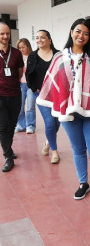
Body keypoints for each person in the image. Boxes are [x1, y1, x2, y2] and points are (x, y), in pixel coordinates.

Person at [36, 18, 90, 201]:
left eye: (86, 33)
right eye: (78, 31)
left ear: (89, 37)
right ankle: (83, 183)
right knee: (78, 150)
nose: (81, 35)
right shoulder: (59, 58)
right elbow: (52, 83)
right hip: (69, 113)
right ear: (71, 32)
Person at [26, 30, 61, 163]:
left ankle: (47, 143)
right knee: (50, 122)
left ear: (49, 40)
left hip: (57, 96)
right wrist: (35, 89)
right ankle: (54, 152)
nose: (39, 40)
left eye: (42, 37)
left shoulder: (58, 55)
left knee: (57, 122)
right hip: (41, 95)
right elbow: (29, 74)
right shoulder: (33, 56)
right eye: (37, 38)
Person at [0, 22, 24, 172]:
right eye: (2, 34)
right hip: (0, 96)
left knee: (12, 125)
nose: (5, 36)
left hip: (15, 94)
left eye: (7, 33)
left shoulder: (16, 53)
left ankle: (8, 147)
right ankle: (8, 156)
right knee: (3, 127)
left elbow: (20, 73)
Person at [15, 38, 36, 134]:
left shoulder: (33, 57)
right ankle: (21, 125)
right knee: (19, 106)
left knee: (30, 106)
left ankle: (30, 126)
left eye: (23, 47)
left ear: (28, 46)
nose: (21, 49)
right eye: (19, 48)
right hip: (20, 85)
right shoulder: (17, 58)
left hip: (30, 85)